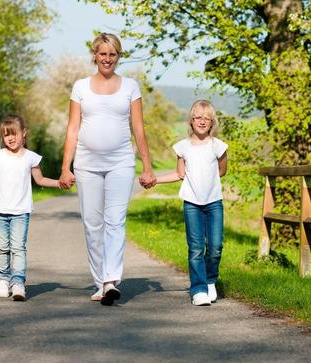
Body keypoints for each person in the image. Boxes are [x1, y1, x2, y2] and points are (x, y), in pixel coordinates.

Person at [58, 32, 156, 306]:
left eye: (113, 54)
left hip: (121, 163)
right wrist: (66, 168)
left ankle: (111, 280)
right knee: (92, 224)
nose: (107, 59)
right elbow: (73, 128)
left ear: (118, 56)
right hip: (87, 164)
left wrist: (147, 166)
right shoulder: (80, 87)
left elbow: (138, 128)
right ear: (94, 55)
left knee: (115, 221)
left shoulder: (130, 87)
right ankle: (101, 280)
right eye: (103, 54)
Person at [0, 115, 60, 301]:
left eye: (14, 134)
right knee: (3, 247)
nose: (10, 138)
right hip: (0, 211)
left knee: (18, 248)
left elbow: (40, 180)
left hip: (21, 212)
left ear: (24, 133)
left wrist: (59, 183)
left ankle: (18, 282)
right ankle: (3, 279)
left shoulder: (31, 157)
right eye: (6, 135)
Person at [154, 100, 227, 306]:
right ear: (191, 120)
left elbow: (222, 170)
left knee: (215, 247)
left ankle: (210, 280)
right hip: (192, 204)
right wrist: (155, 179)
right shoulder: (183, 147)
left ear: (212, 122)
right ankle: (198, 289)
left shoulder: (218, 146)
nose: (202, 121)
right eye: (198, 117)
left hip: (214, 203)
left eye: (207, 118)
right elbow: (179, 174)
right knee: (195, 248)